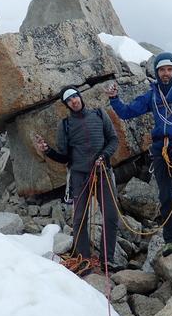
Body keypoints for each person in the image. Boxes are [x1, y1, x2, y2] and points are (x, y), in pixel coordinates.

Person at [104, 52, 172, 256]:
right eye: (162, 70)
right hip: (161, 150)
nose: (166, 73)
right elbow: (127, 112)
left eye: (169, 69)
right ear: (157, 72)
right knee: (165, 194)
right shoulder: (153, 96)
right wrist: (114, 99)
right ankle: (171, 239)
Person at [33, 86, 119, 268]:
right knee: (80, 218)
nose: (74, 100)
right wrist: (47, 151)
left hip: (102, 172)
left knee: (110, 215)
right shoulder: (65, 126)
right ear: (67, 105)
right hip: (79, 176)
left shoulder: (99, 114)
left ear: (80, 96)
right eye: (69, 100)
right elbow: (64, 157)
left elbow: (113, 139)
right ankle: (84, 258)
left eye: (75, 96)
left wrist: (103, 155)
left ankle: (107, 260)